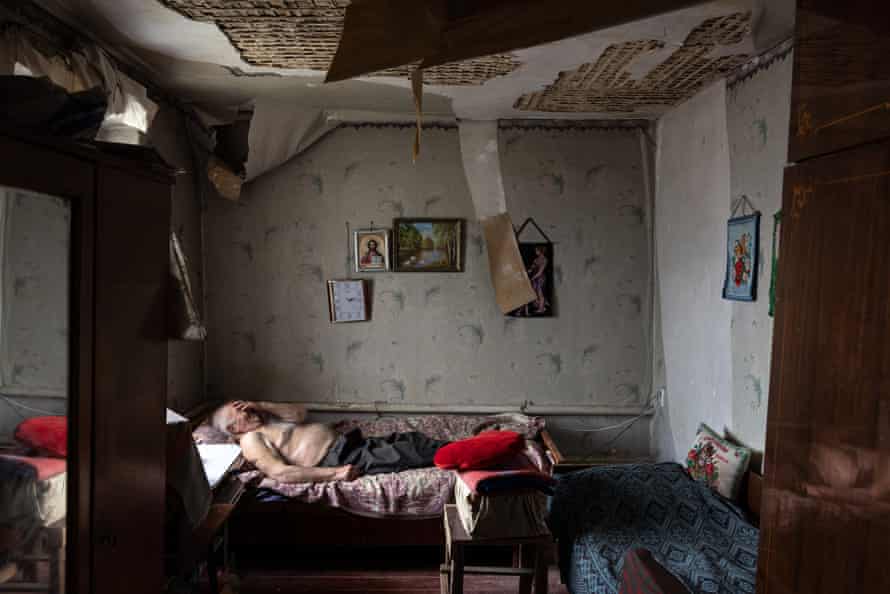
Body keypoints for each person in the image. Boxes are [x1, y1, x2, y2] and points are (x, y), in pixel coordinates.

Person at [211, 400, 448, 483]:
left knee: (412, 440)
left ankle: (470, 448)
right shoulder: (251, 439)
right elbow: (280, 473)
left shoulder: (264, 419)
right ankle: (473, 454)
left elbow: (300, 414)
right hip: (338, 458)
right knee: (410, 453)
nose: (246, 410)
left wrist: (260, 405)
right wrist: (335, 474)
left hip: (349, 444)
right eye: (239, 411)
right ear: (233, 428)